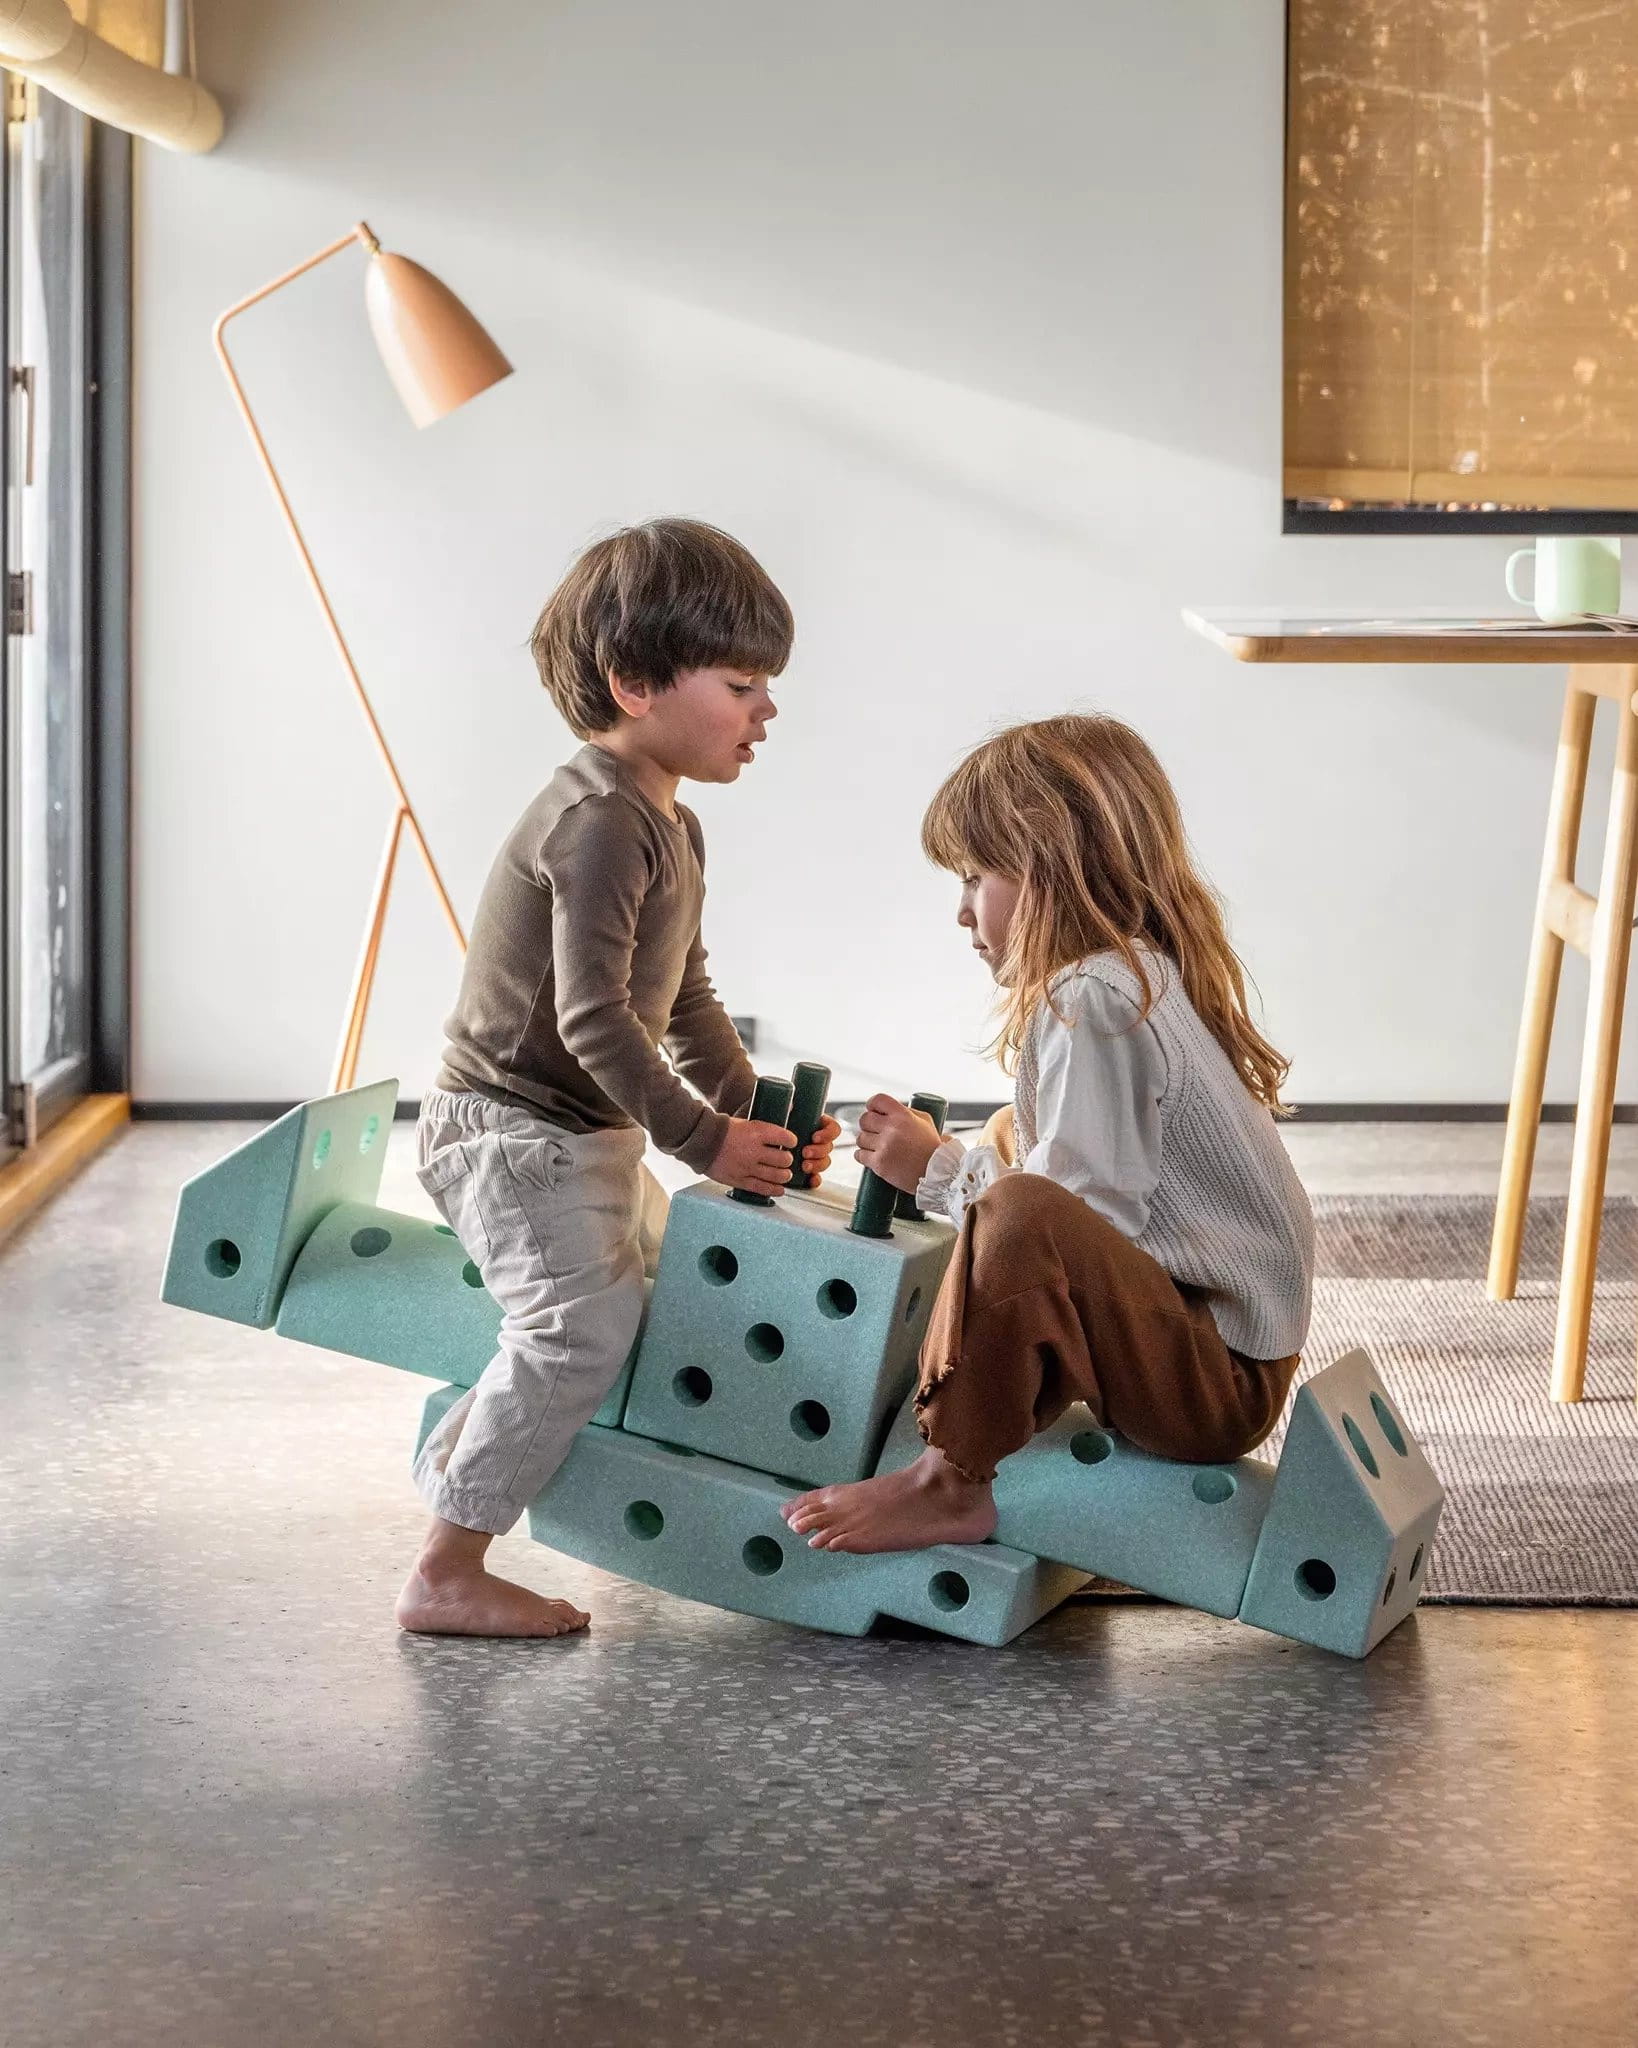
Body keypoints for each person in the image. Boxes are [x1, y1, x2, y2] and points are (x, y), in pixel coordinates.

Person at [399, 519, 839, 1636]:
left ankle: (468, 1475)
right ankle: (446, 1567)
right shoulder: (599, 820)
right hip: (510, 1133)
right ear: (634, 684)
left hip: (576, 1136)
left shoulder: (670, 825)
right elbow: (593, 1018)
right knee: (577, 1329)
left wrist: (754, 1111)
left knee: (642, 1302)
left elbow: (683, 997)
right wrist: (706, 1140)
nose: (767, 711)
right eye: (742, 684)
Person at [782, 713, 1313, 1553]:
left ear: (1047, 871)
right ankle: (984, 1388)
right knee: (1011, 1138)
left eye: (974, 877)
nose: (962, 913)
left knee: (1021, 1209)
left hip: (1215, 1384)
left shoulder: (1094, 997)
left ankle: (949, 1480)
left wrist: (936, 1171)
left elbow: (1075, 1222)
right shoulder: (1135, 972)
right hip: (1223, 1354)